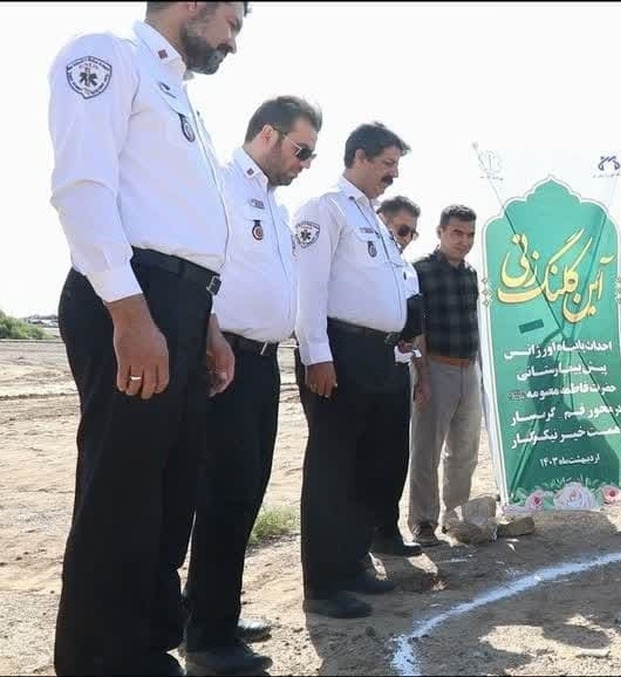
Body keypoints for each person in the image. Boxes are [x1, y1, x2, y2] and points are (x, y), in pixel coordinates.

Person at [47, 2, 247, 673]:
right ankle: (98, 658)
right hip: (133, 295)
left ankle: (144, 647)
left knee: (171, 489)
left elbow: (180, 224)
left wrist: (208, 321)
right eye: (233, 23)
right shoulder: (109, 54)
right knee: (122, 491)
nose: (233, 42)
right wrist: (130, 315)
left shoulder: (182, 97)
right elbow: (83, 187)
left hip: (183, 304)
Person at [180, 95, 320, 676]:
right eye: (301, 149)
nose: (306, 163)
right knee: (222, 495)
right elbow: (202, 265)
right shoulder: (221, 184)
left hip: (262, 364)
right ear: (268, 134)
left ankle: (217, 612)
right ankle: (207, 639)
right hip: (225, 360)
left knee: (246, 493)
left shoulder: (272, 204)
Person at [293, 122, 421, 620]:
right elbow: (309, 285)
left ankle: (351, 566)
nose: (393, 174)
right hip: (342, 352)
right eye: (388, 163)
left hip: (382, 358)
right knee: (332, 471)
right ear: (361, 158)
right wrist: (316, 354)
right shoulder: (324, 208)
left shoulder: (369, 218)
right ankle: (322, 585)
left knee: (368, 469)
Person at [408, 205, 483, 547]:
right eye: (457, 233)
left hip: (469, 370)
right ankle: (424, 522)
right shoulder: (420, 271)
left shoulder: (470, 274)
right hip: (435, 369)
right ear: (440, 232)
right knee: (427, 450)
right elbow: (416, 327)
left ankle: (456, 516)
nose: (464, 241)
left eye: (469, 234)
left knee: (464, 451)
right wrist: (422, 374)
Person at [367, 194, 430, 552]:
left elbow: (414, 326)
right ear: (383, 222)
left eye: (411, 233)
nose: (405, 238)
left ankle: (386, 532)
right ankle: (359, 541)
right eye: (401, 230)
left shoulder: (407, 271)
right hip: (369, 364)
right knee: (369, 458)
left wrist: (422, 372)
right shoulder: (370, 264)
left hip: (399, 369)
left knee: (394, 455)